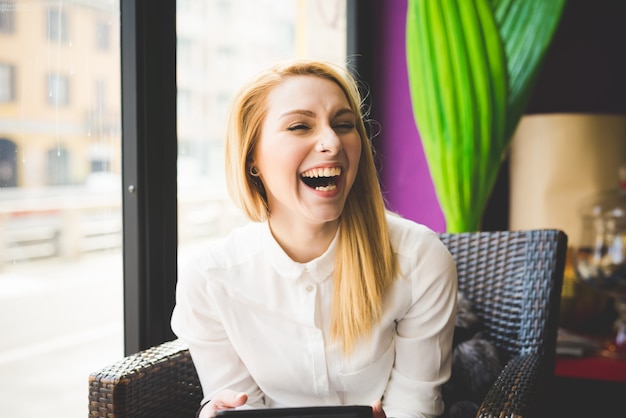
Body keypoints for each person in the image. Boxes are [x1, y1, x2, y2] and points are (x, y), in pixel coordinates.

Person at [171, 59, 457, 418]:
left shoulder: (419, 259)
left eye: (344, 125)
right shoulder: (209, 279)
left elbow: (414, 407)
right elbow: (241, 405)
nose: (332, 142)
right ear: (252, 157)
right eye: (299, 126)